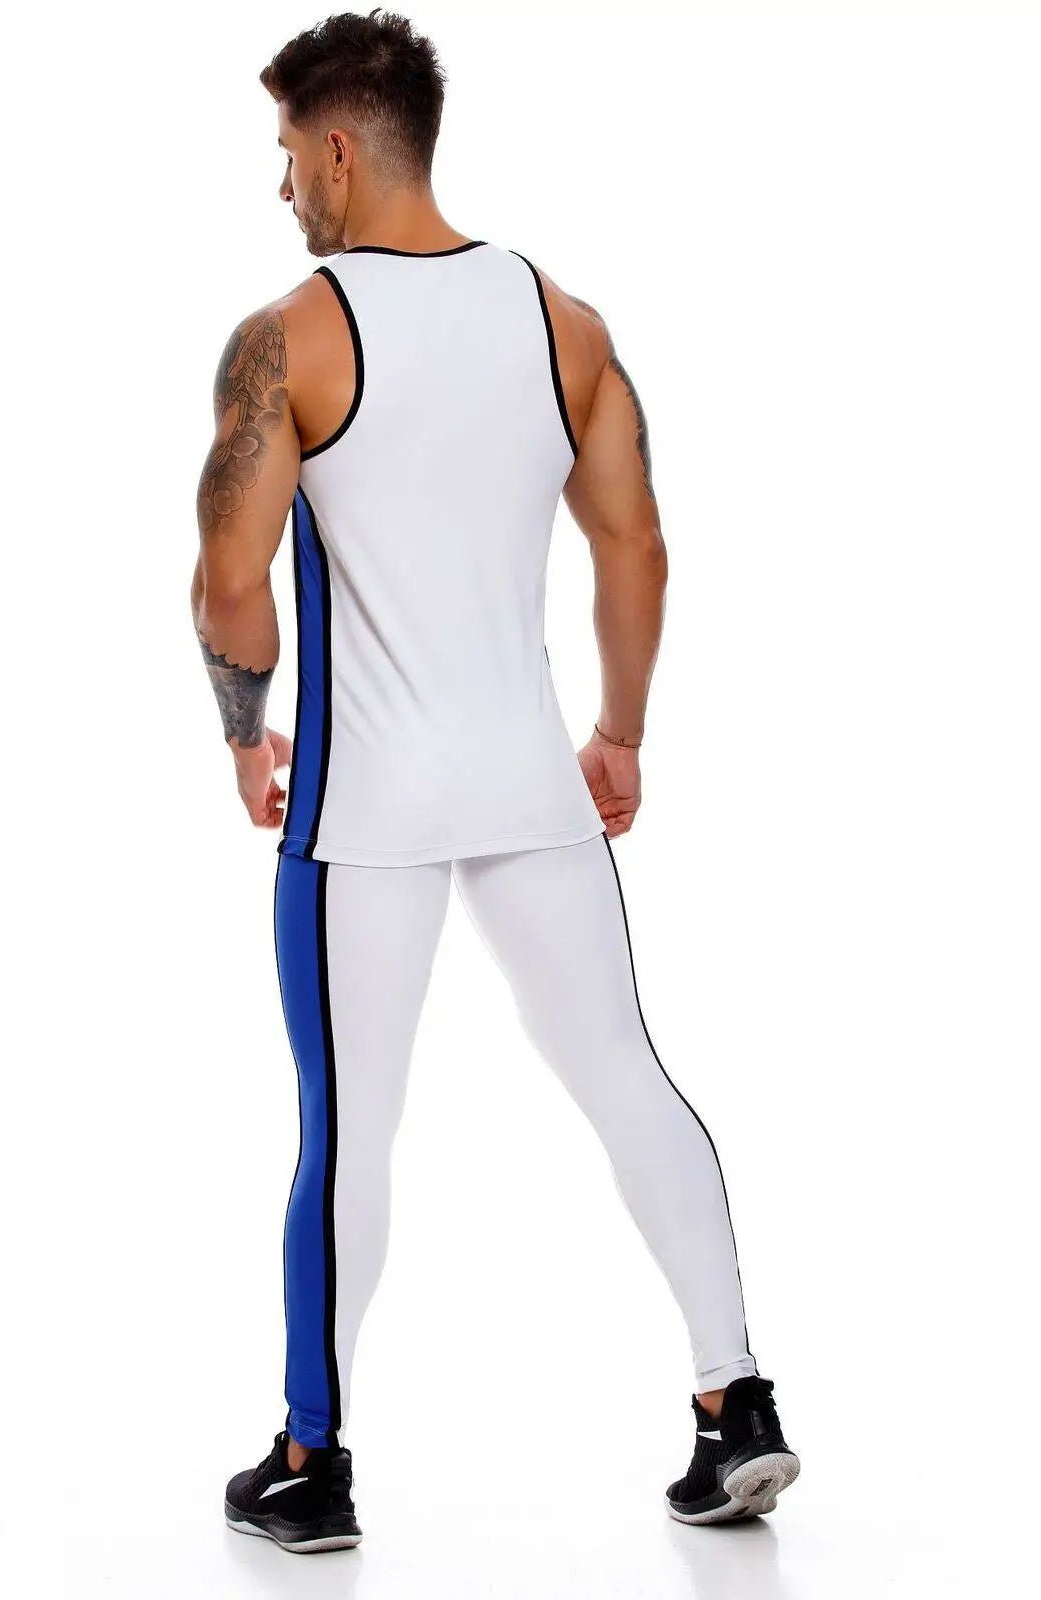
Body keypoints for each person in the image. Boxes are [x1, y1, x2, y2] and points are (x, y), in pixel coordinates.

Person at [191, 9, 799, 1555]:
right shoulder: (561, 320)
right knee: (627, 1074)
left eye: (285, 155)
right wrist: (622, 733)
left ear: (339, 150)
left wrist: (244, 730)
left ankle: (311, 1461)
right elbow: (636, 543)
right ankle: (736, 1401)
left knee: (348, 1127)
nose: (281, 186)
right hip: (531, 779)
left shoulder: (291, 338)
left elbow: (231, 583)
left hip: (366, 806)